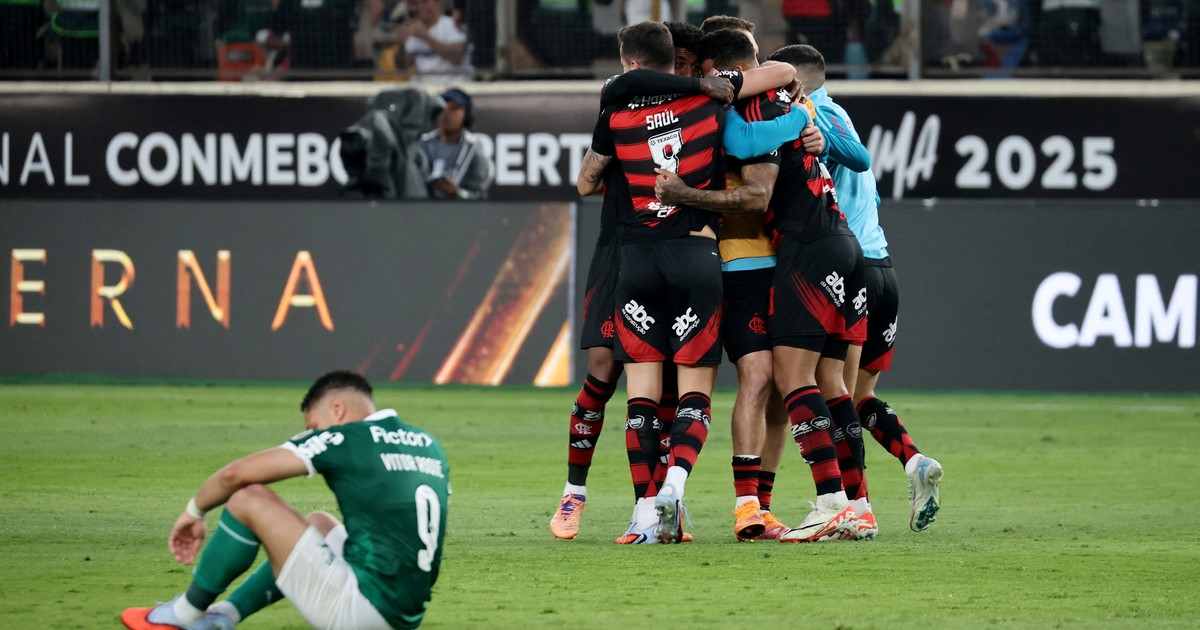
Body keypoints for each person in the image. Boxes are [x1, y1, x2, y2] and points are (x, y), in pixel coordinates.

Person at [577, 21, 751, 545]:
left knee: (642, 397)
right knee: (695, 390)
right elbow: (772, 74)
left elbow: (586, 180)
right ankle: (674, 487)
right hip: (695, 253)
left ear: (630, 61)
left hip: (636, 260)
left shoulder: (616, 113)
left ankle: (644, 514)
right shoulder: (709, 105)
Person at [120, 370, 450, 630]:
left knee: (249, 498)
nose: (316, 434)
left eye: (315, 426)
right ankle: (224, 616)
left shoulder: (347, 438)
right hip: (404, 614)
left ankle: (183, 616)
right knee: (319, 523)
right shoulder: (428, 444)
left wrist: (194, 511)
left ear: (337, 408)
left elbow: (234, 475)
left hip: (362, 613)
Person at [784, 44, 943, 532]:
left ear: (795, 81)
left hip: (848, 271)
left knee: (832, 391)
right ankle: (914, 462)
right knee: (859, 395)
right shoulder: (841, 115)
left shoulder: (814, 118)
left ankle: (858, 507)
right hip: (883, 267)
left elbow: (852, 164)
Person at [416, 87, 493, 200]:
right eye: (443, 108)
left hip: (460, 210)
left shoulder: (474, 150)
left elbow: (479, 196)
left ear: (466, 114)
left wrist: (456, 193)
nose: (447, 114)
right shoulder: (422, 144)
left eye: (454, 109)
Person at [397, 0, 473, 82]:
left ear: (438, 3)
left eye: (425, 2)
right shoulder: (415, 29)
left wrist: (425, 37)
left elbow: (457, 57)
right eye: (417, 3)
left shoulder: (452, 24)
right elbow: (403, 66)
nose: (420, 7)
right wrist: (402, 44)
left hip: (452, 85)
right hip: (422, 86)